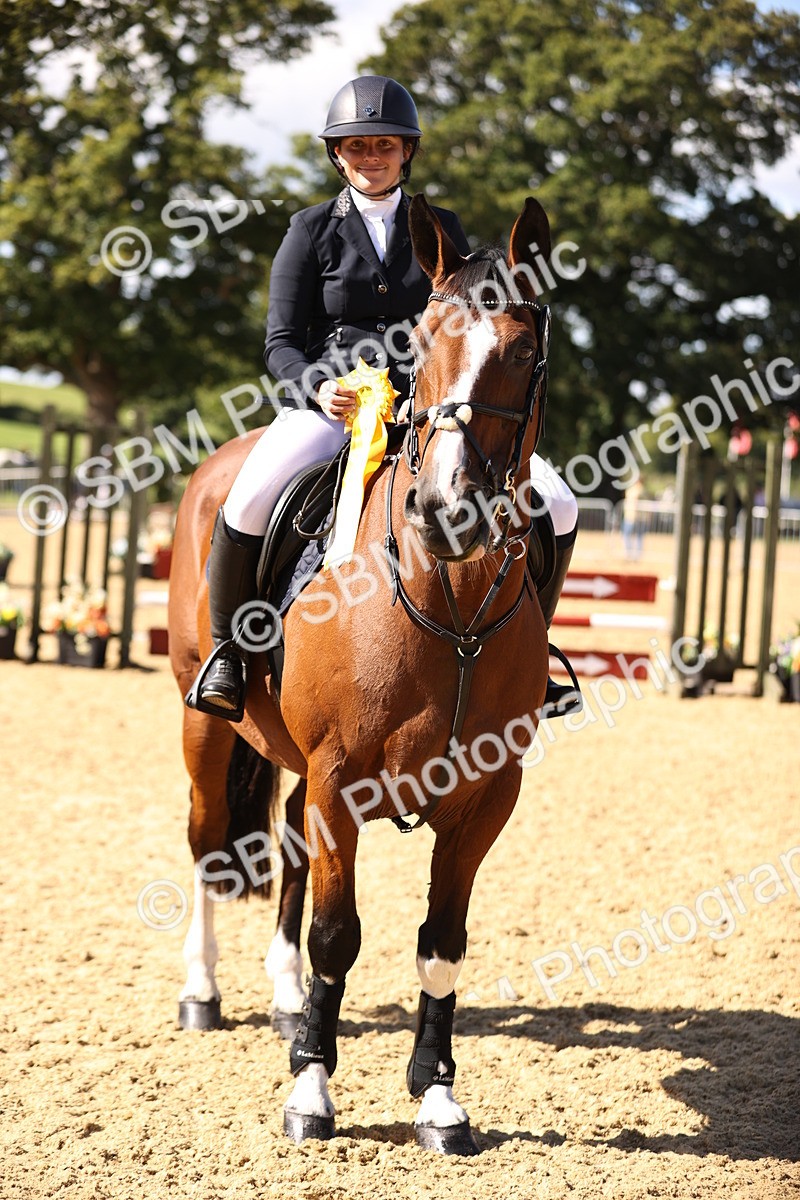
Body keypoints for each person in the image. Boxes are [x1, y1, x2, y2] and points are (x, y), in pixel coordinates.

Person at [189, 76, 579, 720]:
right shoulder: (308, 230)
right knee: (250, 493)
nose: (371, 156)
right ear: (337, 155)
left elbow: (471, 328)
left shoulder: (441, 228)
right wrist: (319, 386)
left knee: (558, 502)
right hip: (332, 409)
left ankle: (531, 654)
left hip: (430, 409)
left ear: (407, 152)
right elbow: (280, 343)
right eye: (356, 146)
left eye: (385, 145)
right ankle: (230, 652)